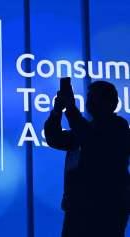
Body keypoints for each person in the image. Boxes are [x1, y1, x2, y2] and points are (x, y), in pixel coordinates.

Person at [44, 79, 130, 237]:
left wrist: (70, 108)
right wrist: (57, 111)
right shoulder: (85, 129)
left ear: (111, 103)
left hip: (106, 211)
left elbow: (91, 140)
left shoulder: (119, 129)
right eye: (89, 98)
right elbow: (54, 138)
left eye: (95, 98)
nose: (89, 102)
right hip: (77, 209)